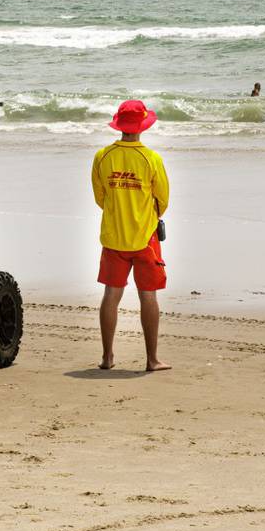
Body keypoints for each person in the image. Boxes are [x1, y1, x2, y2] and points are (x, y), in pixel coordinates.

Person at [92, 100, 171, 372]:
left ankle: (107, 357)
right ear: (141, 127)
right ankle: (152, 360)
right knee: (147, 296)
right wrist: (140, 214)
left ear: (120, 126)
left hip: (113, 237)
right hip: (145, 238)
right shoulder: (151, 159)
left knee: (111, 294)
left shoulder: (102, 156)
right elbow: (163, 200)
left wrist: (119, 211)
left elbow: (100, 197)